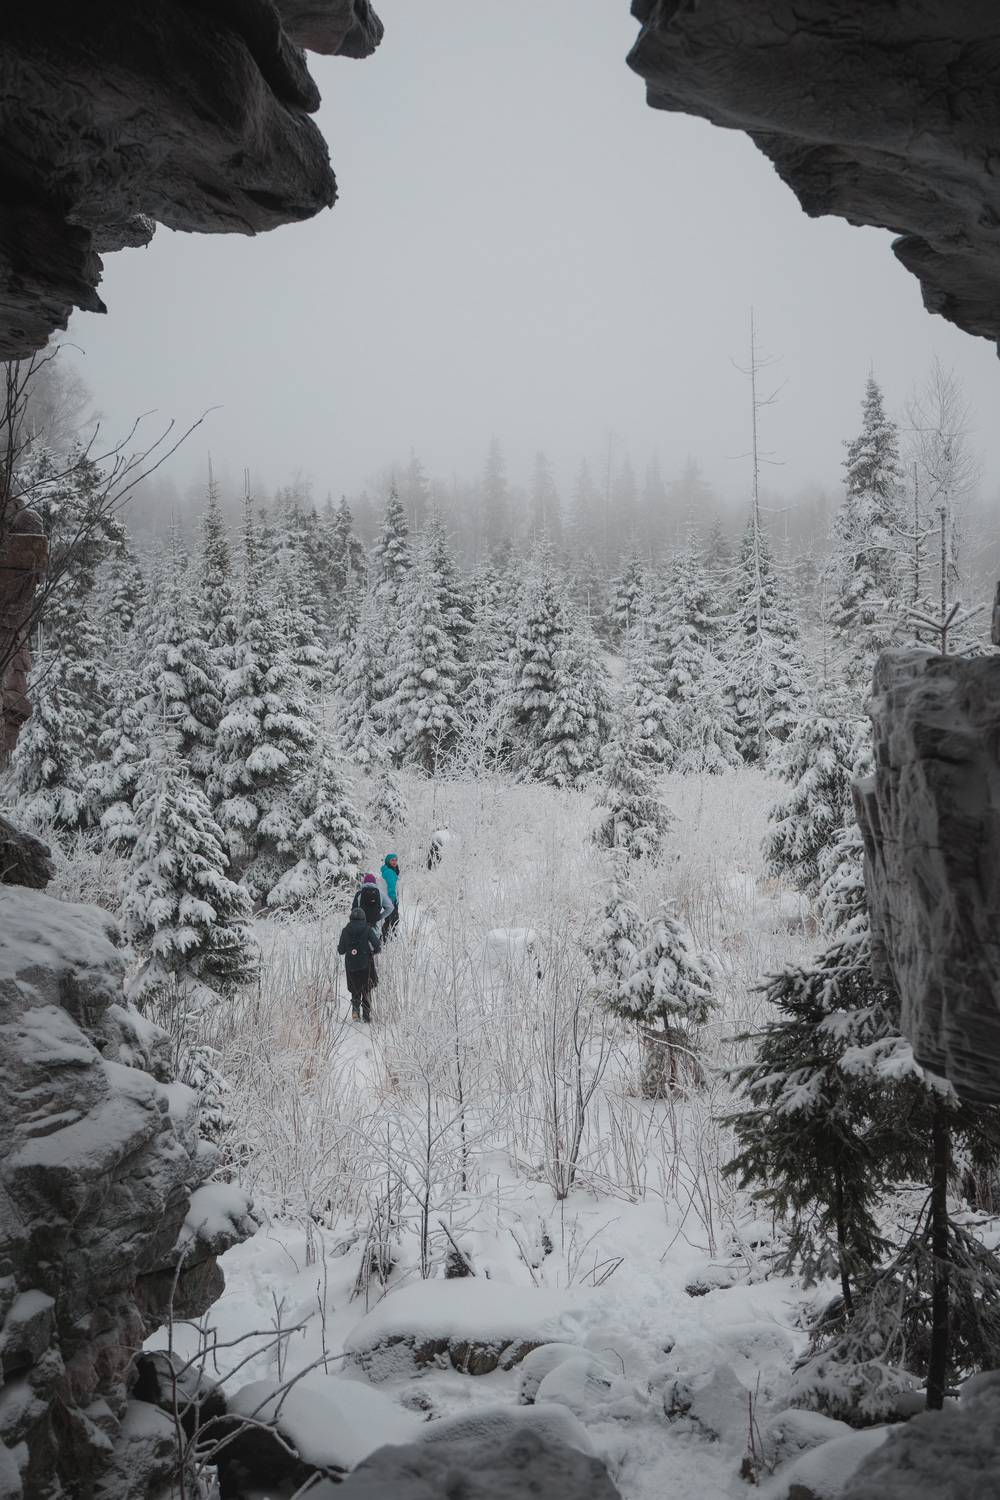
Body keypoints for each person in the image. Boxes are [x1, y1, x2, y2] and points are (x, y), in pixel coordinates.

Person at [337, 905, 381, 1022]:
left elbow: (341, 950)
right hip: (366, 964)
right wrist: (373, 952)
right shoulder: (367, 929)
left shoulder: (345, 931)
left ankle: (355, 1011)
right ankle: (366, 1015)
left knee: (355, 988)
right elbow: (377, 945)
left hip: (351, 965)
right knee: (367, 989)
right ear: (363, 918)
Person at [381, 852, 400, 939]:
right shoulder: (389, 872)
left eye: (396, 860)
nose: (394, 862)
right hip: (391, 899)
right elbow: (391, 886)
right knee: (394, 920)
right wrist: (392, 900)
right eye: (392, 860)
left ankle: (386, 939)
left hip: (388, 899)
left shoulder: (391, 871)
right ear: (388, 861)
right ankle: (387, 939)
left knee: (389, 920)